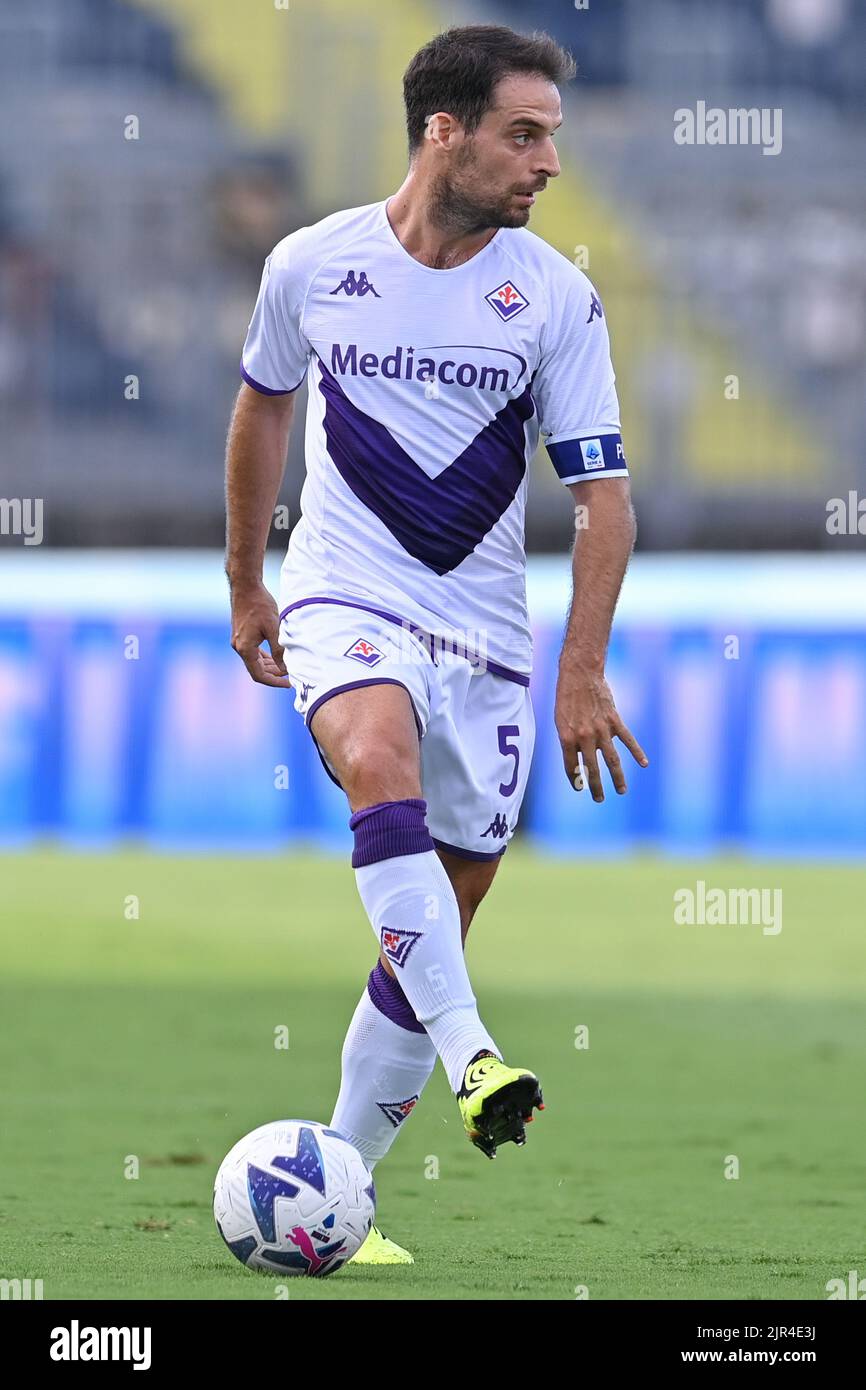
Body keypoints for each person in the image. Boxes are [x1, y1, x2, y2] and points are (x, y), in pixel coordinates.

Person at [225, 24, 647, 1265]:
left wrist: (577, 671)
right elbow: (261, 406)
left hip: (486, 640)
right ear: (442, 133)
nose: (547, 164)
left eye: (552, 139)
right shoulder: (313, 264)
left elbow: (602, 501)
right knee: (373, 754)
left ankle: (335, 1196)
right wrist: (247, 578)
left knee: (441, 914)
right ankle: (474, 1058)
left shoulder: (555, 300)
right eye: (524, 135)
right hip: (342, 595)